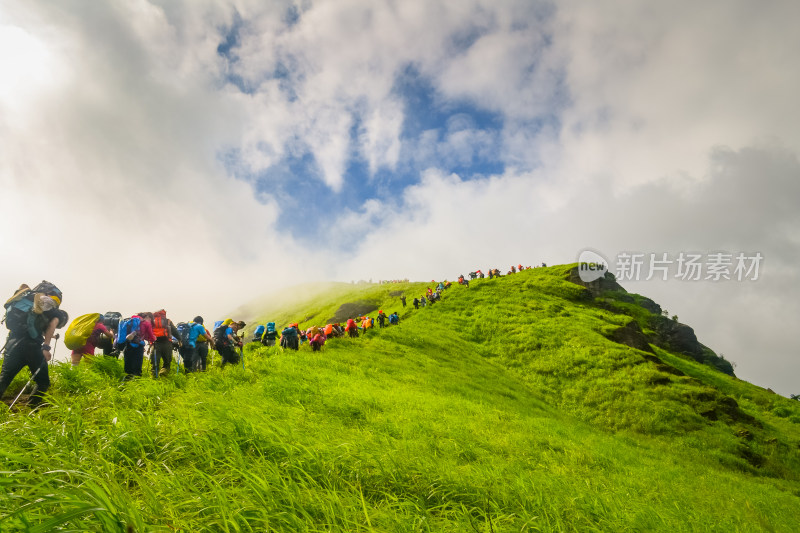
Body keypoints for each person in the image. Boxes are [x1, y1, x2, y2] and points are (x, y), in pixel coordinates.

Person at [0, 282, 68, 406]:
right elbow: (52, 325)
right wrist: (46, 347)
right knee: (42, 382)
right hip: (32, 346)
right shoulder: (53, 309)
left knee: (4, 379)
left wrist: (50, 335)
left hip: (12, 343)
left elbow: (36, 327)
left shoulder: (24, 299)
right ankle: (31, 409)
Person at [150, 309, 180, 377]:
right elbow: (174, 331)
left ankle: (154, 377)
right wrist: (180, 339)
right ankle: (164, 375)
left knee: (155, 362)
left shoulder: (152, 322)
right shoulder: (168, 321)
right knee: (167, 362)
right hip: (167, 343)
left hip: (155, 344)